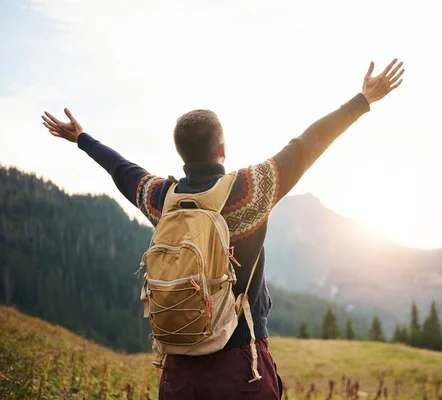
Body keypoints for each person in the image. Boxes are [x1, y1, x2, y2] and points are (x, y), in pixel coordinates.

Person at [41, 58, 405, 400]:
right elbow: (308, 144)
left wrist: (82, 138)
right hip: (241, 364)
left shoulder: (162, 199)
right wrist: (363, 100)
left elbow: (122, 169)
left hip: (179, 367)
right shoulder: (251, 189)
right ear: (223, 148)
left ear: (181, 154)